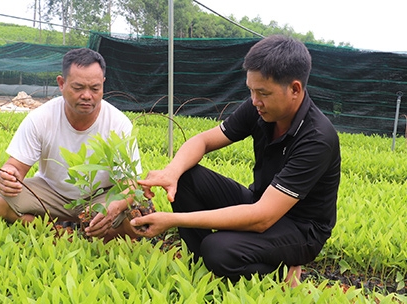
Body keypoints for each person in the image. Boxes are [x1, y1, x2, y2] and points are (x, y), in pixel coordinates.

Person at [131, 35, 341, 286]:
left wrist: (171, 221)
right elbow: (203, 141)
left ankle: (280, 269)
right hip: (260, 200)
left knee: (218, 250)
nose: (254, 101)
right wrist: (171, 172)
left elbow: (262, 217)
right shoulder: (259, 108)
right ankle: (206, 267)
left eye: (262, 93)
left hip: (300, 230)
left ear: (295, 89)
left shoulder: (317, 138)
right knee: (186, 177)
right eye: (251, 90)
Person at [0, 48, 141, 242]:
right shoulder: (41, 118)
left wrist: (114, 208)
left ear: (103, 84)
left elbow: (130, 184)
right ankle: (58, 231)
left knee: (139, 219)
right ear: (62, 83)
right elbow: (15, 166)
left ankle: (99, 231)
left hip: (99, 197)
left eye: (94, 88)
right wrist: (8, 176)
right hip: (52, 192)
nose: (87, 95)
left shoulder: (118, 123)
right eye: (78, 88)